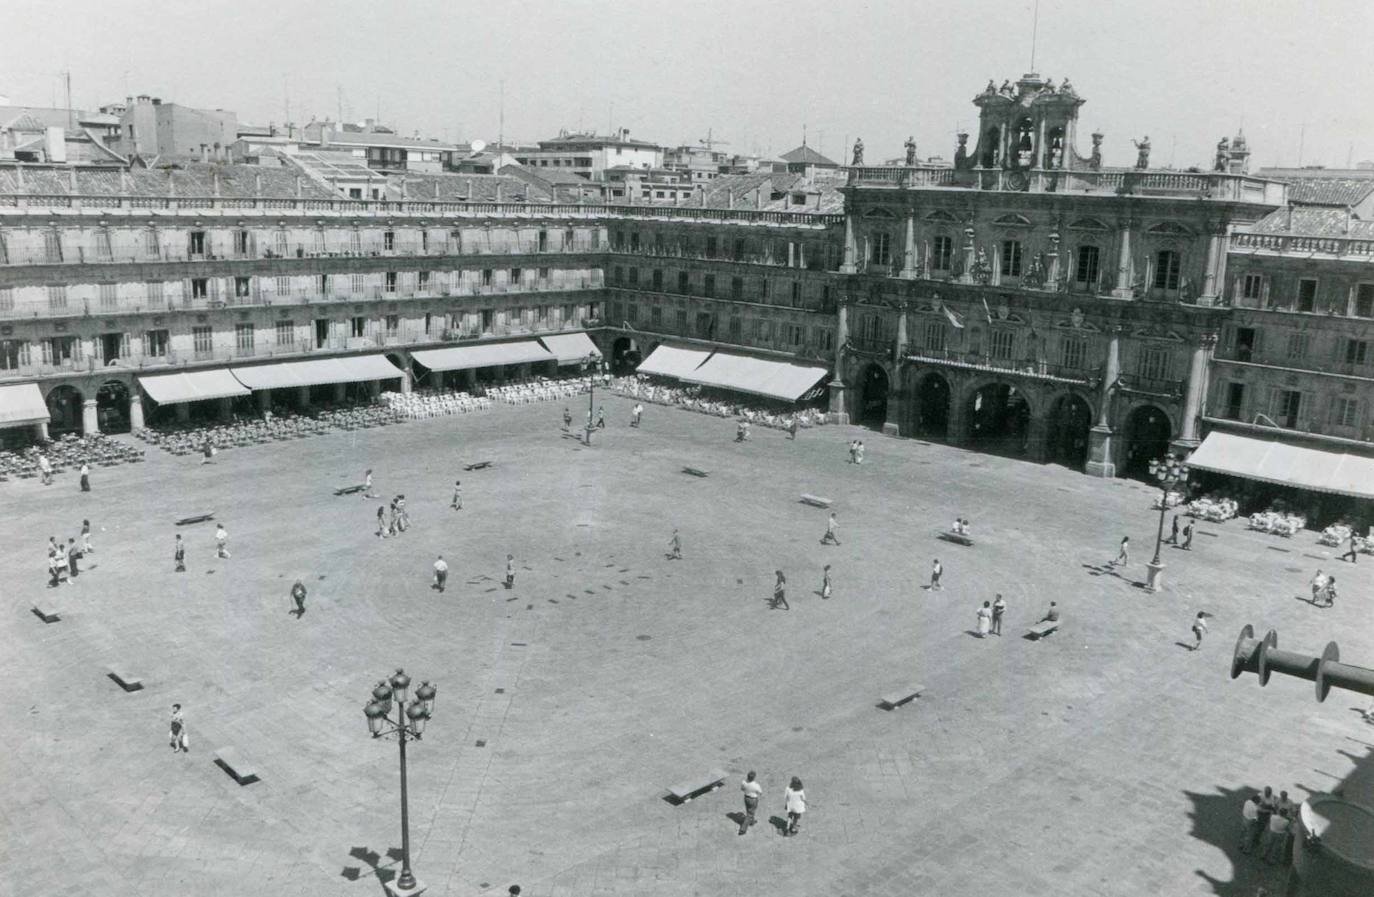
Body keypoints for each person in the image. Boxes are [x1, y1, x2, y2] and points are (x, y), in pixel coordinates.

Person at [739, 771, 762, 835]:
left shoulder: (743, 782)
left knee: (749, 811)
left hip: (746, 798)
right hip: (753, 799)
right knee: (750, 813)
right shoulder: (756, 785)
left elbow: (742, 789)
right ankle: (742, 829)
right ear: (754, 777)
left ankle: (752, 821)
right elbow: (760, 792)